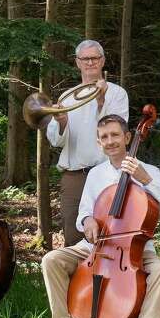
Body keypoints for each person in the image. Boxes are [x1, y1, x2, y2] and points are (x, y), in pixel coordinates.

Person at [41, 114, 160, 318]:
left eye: (115, 135)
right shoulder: (95, 174)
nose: (110, 141)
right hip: (96, 246)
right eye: (104, 137)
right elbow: (83, 213)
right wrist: (88, 221)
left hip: (135, 250)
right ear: (98, 142)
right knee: (51, 260)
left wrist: (146, 180)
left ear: (127, 137)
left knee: (159, 271)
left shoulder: (151, 171)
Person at [46, 40, 129, 245]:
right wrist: (62, 122)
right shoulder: (67, 97)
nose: (90, 62)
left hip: (107, 175)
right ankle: (76, 278)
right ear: (77, 63)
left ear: (102, 61)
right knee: (73, 238)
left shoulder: (117, 93)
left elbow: (116, 133)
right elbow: (55, 140)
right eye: (85, 59)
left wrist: (101, 102)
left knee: (110, 235)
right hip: (74, 177)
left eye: (95, 58)